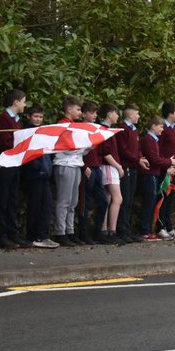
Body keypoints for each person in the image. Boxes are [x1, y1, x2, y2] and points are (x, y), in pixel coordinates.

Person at [0, 89, 29, 248]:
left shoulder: (17, 120)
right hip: (5, 164)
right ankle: (1, 236)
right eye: (23, 101)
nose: (25, 105)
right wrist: (20, 145)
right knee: (3, 200)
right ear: (16, 102)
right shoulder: (4, 119)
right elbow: (4, 142)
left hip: (14, 163)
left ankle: (12, 233)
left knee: (12, 200)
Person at [51, 96, 85, 246]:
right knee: (64, 201)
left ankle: (69, 230)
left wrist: (86, 147)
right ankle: (60, 232)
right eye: (78, 109)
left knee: (73, 202)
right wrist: (84, 147)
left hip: (76, 164)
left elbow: (78, 149)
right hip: (65, 164)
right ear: (69, 109)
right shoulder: (62, 125)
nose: (80, 112)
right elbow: (67, 147)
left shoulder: (73, 125)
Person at [22, 105, 56, 248]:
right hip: (34, 174)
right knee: (35, 206)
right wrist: (37, 168)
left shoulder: (42, 131)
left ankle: (43, 235)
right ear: (29, 117)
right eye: (36, 116)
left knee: (46, 205)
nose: (38, 119)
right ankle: (33, 236)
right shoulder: (26, 132)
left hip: (44, 174)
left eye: (40, 117)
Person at [115, 103, 150, 244]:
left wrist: (140, 158)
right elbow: (123, 150)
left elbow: (138, 148)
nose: (139, 116)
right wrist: (137, 159)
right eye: (137, 113)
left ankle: (128, 230)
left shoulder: (135, 130)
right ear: (130, 115)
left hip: (134, 167)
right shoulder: (123, 129)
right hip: (126, 167)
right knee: (124, 199)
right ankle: (121, 230)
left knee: (130, 200)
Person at [140, 114, 175, 240]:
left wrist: (167, 164)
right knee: (149, 203)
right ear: (153, 126)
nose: (162, 129)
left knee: (152, 203)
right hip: (149, 174)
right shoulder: (148, 140)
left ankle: (148, 230)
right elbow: (155, 159)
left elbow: (157, 158)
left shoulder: (154, 140)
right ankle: (145, 231)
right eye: (161, 127)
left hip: (154, 174)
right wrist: (170, 162)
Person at [94, 104, 126, 244]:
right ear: (109, 114)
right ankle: (110, 230)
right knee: (117, 198)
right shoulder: (104, 130)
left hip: (109, 167)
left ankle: (106, 230)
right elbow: (106, 152)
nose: (117, 116)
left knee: (108, 197)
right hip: (108, 167)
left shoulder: (107, 130)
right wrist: (118, 167)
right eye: (116, 113)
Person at [158, 102, 175, 240]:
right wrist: (166, 166)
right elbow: (159, 150)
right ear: (170, 113)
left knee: (170, 200)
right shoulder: (162, 128)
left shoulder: (173, 128)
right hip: (165, 169)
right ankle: (160, 227)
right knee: (162, 199)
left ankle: (169, 227)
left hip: (174, 169)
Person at [77, 101, 102, 244]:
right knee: (84, 203)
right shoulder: (80, 129)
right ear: (84, 114)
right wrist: (84, 166)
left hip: (97, 167)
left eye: (95, 113)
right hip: (87, 168)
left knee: (103, 201)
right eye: (92, 113)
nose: (95, 115)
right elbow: (77, 151)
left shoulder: (97, 128)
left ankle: (97, 232)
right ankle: (84, 233)